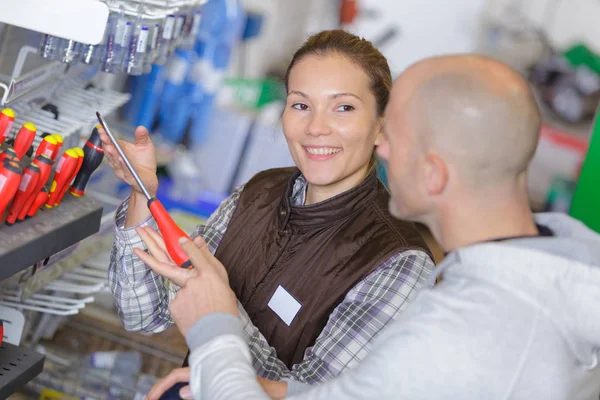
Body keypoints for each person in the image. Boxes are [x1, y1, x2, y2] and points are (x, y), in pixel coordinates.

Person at [155, 54, 600, 399]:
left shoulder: (462, 332)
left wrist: (215, 322)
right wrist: (279, 390)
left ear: (434, 174)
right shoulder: (558, 254)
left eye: (394, 137)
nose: (379, 147)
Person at [102, 29, 434, 396]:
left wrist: (219, 312)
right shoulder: (259, 192)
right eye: (301, 104)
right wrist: (141, 194)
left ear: (380, 127)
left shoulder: (399, 260)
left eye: (344, 107)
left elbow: (317, 393)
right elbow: (143, 315)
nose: (316, 128)